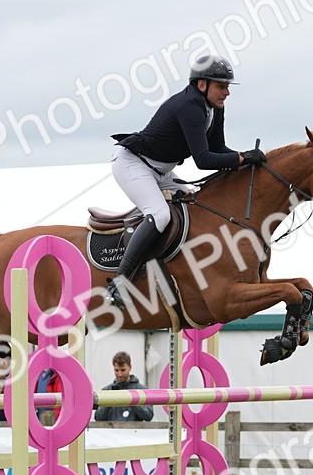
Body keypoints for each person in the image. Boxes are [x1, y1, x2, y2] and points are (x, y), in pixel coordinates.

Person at [106, 54, 265, 309]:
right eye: (221, 86)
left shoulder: (214, 107)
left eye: (227, 87)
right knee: (159, 215)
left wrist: (244, 159)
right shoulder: (190, 106)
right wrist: (242, 158)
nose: (227, 93)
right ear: (202, 84)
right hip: (133, 164)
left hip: (163, 172)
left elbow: (218, 148)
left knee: (196, 203)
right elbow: (203, 159)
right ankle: (119, 284)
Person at [93, 352, 155, 423]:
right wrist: (109, 400)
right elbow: (98, 418)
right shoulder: (106, 390)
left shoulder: (143, 390)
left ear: (130, 367)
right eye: (116, 370)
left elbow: (148, 416)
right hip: (111, 429)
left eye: (123, 370)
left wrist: (133, 399)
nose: (119, 374)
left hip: (133, 429)